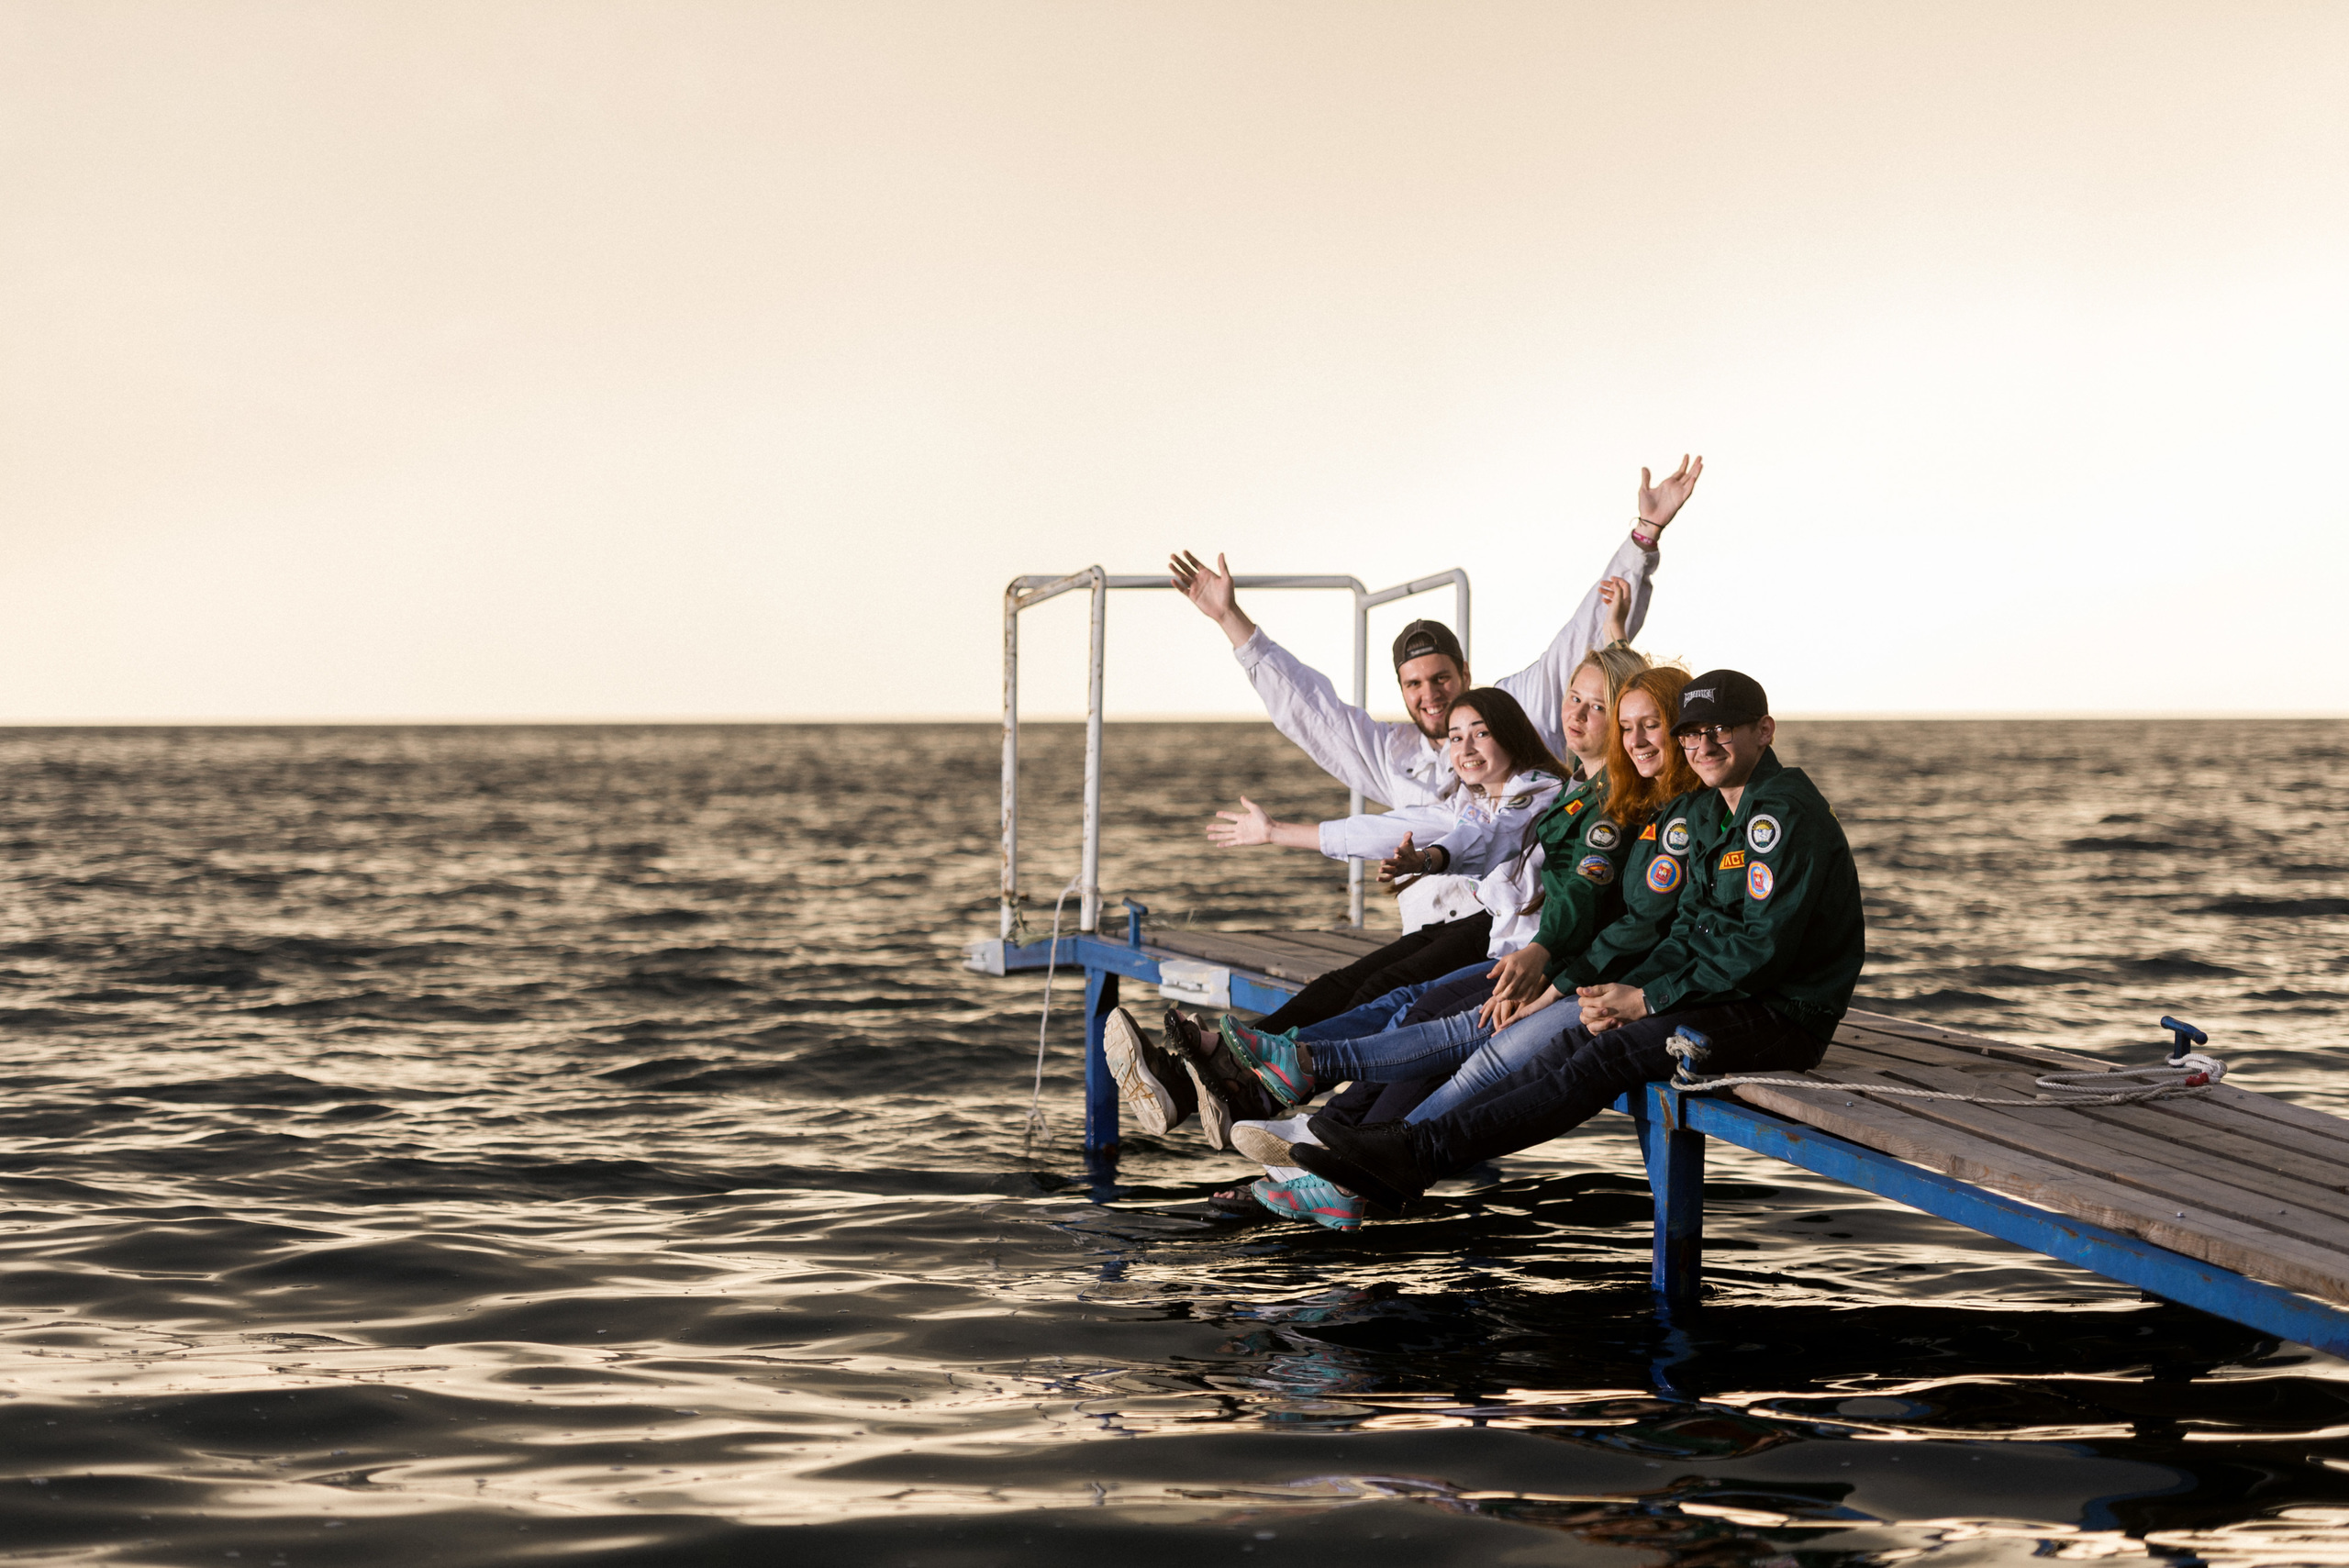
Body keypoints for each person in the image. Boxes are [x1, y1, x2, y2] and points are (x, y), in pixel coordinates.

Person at [1278, 670, 1867, 1221]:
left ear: (1764, 731)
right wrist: (1633, 991)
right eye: (1692, 733)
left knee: (1599, 1054)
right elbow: (1692, 929)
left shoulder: (1778, 813)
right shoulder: (1726, 808)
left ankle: (1399, 1144)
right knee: (1467, 1015)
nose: (1702, 745)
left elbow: (1760, 950)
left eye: (1720, 730)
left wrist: (1644, 999)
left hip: (1786, 1013)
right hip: (1735, 993)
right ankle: (1368, 1132)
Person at [1219, 666, 1705, 1222]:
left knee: (1471, 1038)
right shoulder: (1586, 795)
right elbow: (1429, 829)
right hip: (1561, 963)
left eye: (1608, 711)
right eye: (1578, 703)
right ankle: (1333, 1124)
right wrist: (1286, 833)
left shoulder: (1597, 801)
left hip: (1584, 971)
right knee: (1410, 1005)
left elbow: (1608, 911)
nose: (1579, 717)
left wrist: (1553, 974)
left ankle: (1342, 1132)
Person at [1100, 685, 1564, 1147]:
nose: (1463, 747)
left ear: (1509, 733)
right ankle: (1213, 1080)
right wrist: (1275, 832)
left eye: (1479, 733)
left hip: (1519, 949)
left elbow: (1489, 838)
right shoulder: (1475, 800)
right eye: (1455, 737)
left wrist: (1429, 861)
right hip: (1482, 930)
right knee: (1350, 987)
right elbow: (1385, 829)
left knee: (1399, 1003)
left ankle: (1263, 1099)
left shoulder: (1536, 792)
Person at [1167, 457, 1702, 816]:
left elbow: (1587, 634)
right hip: (1428, 933)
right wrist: (1229, 619)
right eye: (1414, 684)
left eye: (1442, 677)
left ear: (1465, 674)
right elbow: (1309, 710)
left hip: (1504, 938)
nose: (1431, 694)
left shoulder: (1516, 707)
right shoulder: (1391, 755)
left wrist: (1643, 537)